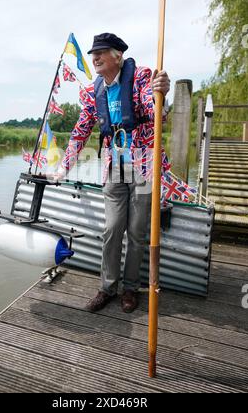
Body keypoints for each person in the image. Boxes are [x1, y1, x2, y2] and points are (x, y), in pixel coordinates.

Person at [50, 33, 171, 313]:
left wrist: (161, 93)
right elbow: (80, 132)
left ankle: (131, 289)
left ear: (117, 55)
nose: (95, 57)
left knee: (138, 232)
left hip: (143, 165)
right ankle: (107, 287)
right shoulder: (95, 91)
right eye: (94, 53)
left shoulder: (140, 77)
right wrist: (62, 168)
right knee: (112, 228)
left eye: (101, 52)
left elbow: (156, 112)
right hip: (114, 168)